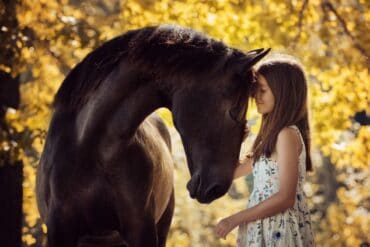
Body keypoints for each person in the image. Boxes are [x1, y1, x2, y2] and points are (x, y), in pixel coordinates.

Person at [215, 55, 315, 246]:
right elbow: (231, 172)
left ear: (283, 93)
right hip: (262, 229)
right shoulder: (270, 139)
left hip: (280, 231)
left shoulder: (286, 135)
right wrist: (235, 141)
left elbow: (286, 198)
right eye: (255, 90)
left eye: (263, 90)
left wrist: (234, 219)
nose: (256, 96)